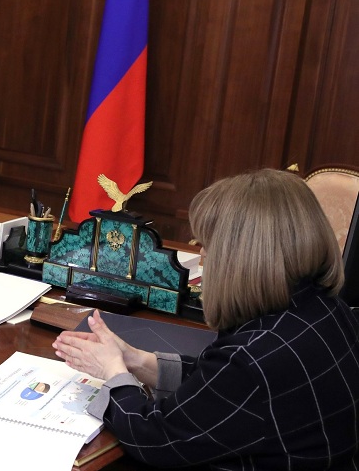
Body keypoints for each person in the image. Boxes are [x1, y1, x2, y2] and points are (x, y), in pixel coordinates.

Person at [53, 168, 359, 470]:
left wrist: (113, 372)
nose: (202, 256)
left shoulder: (251, 360)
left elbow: (153, 439)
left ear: (237, 259)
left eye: (207, 246)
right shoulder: (329, 310)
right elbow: (219, 391)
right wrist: (136, 360)